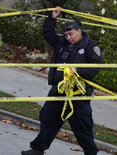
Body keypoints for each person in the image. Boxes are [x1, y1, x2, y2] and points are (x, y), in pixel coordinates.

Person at [21, 6, 103, 155]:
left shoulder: (91, 47)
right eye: (66, 35)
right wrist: (52, 18)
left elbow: (97, 66)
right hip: (58, 91)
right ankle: (37, 150)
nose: (68, 38)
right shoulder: (62, 43)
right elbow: (48, 34)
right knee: (48, 119)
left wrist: (77, 70)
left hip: (78, 95)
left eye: (71, 34)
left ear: (79, 31)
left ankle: (91, 153)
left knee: (82, 126)